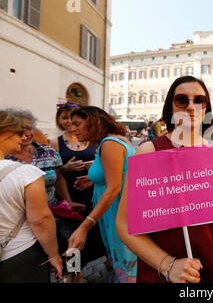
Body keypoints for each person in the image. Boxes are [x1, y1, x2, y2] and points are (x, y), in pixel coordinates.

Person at [116, 75, 213, 283]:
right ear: (170, 108)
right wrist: (167, 265)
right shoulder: (150, 151)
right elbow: (124, 224)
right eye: (182, 100)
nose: (191, 106)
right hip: (168, 265)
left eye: (199, 100)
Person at [68, 106, 137, 282]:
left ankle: (72, 273)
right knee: (125, 259)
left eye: (77, 124)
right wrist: (94, 180)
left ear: (93, 121)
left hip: (116, 213)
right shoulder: (113, 141)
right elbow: (121, 174)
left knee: (126, 261)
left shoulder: (109, 144)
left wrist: (85, 226)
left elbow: (114, 187)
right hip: (116, 211)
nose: (72, 129)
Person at [0, 111, 63, 282]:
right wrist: (53, 255)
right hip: (19, 253)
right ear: (3, 132)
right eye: (18, 131)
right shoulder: (25, 173)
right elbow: (40, 219)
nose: (23, 137)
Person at [49, 104, 106, 282]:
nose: (69, 123)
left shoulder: (92, 139)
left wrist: (94, 173)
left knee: (97, 231)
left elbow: (106, 165)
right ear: (59, 120)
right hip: (68, 196)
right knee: (70, 236)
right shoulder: (54, 142)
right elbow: (53, 173)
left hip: (92, 194)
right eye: (65, 118)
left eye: (74, 120)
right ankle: (74, 273)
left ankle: (107, 260)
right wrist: (65, 169)